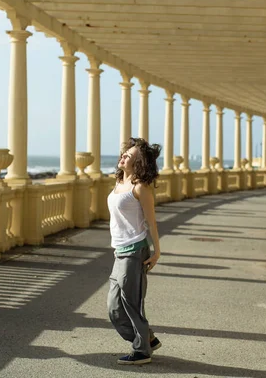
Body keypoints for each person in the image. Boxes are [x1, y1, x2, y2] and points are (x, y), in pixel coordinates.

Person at [107, 137, 162, 365]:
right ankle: (147, 338)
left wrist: (156, 251)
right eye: (123, 153)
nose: (122, 157)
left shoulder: (140, 187)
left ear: (138, 162)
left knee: (130, 304)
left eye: (128, 156)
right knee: (113, 307)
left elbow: (151, 222)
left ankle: (142, 351)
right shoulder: (119, 181)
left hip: (135, 250)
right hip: (119, 250)